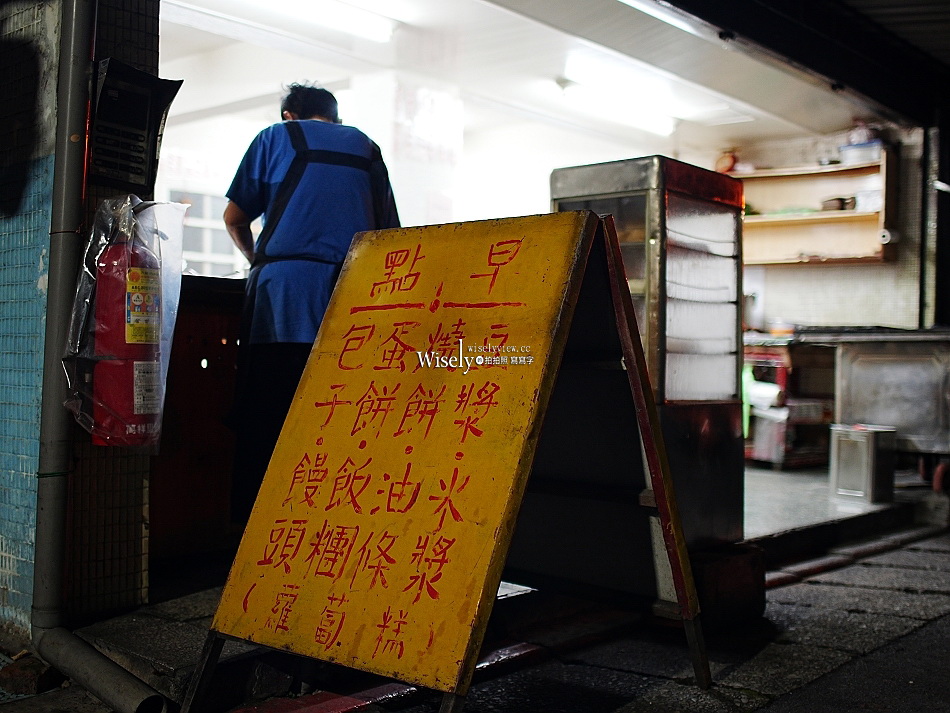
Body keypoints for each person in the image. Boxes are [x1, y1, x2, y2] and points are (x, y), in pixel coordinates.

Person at [224, 82, 400, 523]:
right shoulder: (367, 147)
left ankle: (256, 532)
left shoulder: (275, 136)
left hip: (282, 300)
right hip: (352, 301)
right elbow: (390, 236)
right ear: (335, 119)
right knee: (339, 423)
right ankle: (330, 527)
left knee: (267, 421)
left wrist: (256, 260)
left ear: (290, 115)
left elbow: (235, 216)